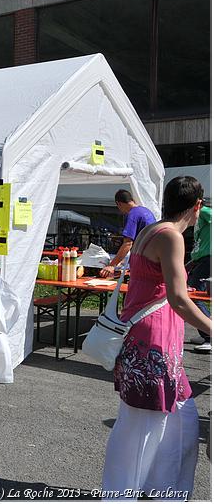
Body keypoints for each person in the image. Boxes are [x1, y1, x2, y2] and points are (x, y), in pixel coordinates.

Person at [101, 176, 211, 497]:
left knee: (181, 424)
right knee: (144, 428)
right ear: (197, 206)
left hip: (148, 339)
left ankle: (163, 490)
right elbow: (178, 297)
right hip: (155, 343)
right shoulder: (171, 237)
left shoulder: (150, 229)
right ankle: (124, 493)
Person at [100, 189, 156, 278]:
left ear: (119, 203)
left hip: (143, 260)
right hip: (153, 257)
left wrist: (111, 265)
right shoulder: (145, 211)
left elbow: (128, 243)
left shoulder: (132, 215)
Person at [188, 202, 211, 353]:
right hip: (201, 258)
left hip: (208, 258)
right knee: (194, 296)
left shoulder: (203, 210)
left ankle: (209, 335)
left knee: (194, 297)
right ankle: (205, 332)